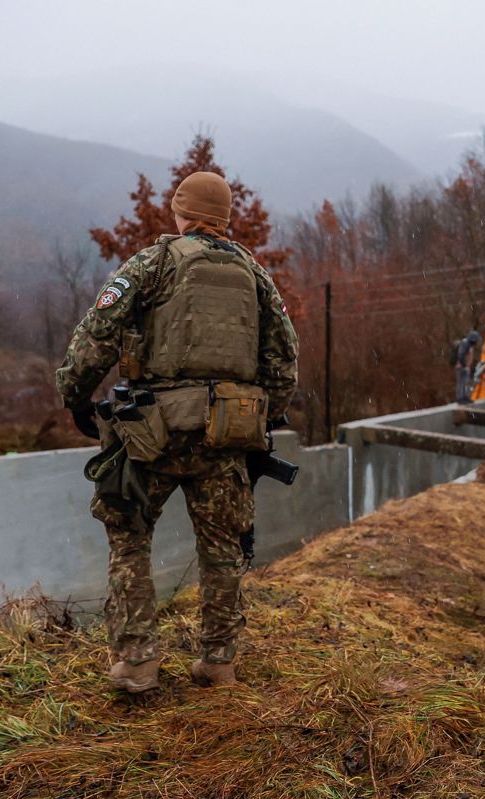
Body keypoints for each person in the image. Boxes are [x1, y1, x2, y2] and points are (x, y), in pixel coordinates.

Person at [57, 171, 299, 693]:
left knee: (128, 536)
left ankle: (138, 659)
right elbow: (285, 361)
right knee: (222, 549)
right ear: (225, 218)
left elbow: (96, 335)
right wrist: (257, 415)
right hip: (226, 436)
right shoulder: (255, 276)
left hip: (153, 435)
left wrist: (76, 397)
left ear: (180, 212)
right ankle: (219, 661)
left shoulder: (153, 262)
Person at [454, 330, 483, 403]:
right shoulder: (465, 343)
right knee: (461, 383)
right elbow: (461, 355)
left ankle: (465, 397)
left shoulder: (469, 344)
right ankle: (460, 399)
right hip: (462, 367)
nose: (476, 342)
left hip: (466, 367)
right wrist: (464, 366)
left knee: (465, 382)